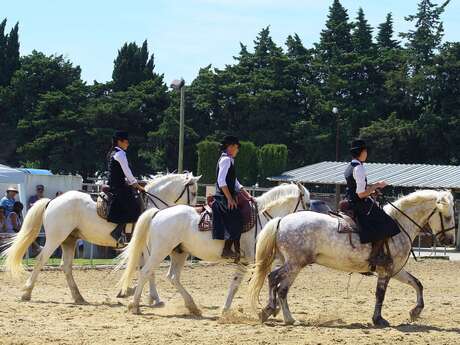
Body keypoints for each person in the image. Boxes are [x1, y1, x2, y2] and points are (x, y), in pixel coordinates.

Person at [344, 139, 400, 270]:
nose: (367, 153)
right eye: (365, 150)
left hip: (351, 200)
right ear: (361, 152)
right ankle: (374, 257)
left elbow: (358, 189)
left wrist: (372, 190)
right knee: (388, 223)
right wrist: (377, 185)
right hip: (359, 203)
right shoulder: (359, 169)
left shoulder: (350, 166)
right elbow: (361, 194)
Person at [212, 135, 253, 260]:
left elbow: (235, 182)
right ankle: (227, 249)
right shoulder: (226, 160)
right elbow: (221, 181)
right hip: (222, 197)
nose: (237, 150)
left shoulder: (229, 160)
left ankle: (236, 249)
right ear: (230, 147)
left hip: (226, 195)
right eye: (236, 147)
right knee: (236, 216)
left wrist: (247, 195)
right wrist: (229, 198)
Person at [106, 130, 145, 248]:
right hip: (118, 186)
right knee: (134, 206)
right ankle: (117, 231)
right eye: (126, 142)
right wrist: (137, 185)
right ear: (120, 141)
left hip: (114, 184)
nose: (128, 144)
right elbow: (128, 173)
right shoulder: (121, 154)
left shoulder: (112, 153)